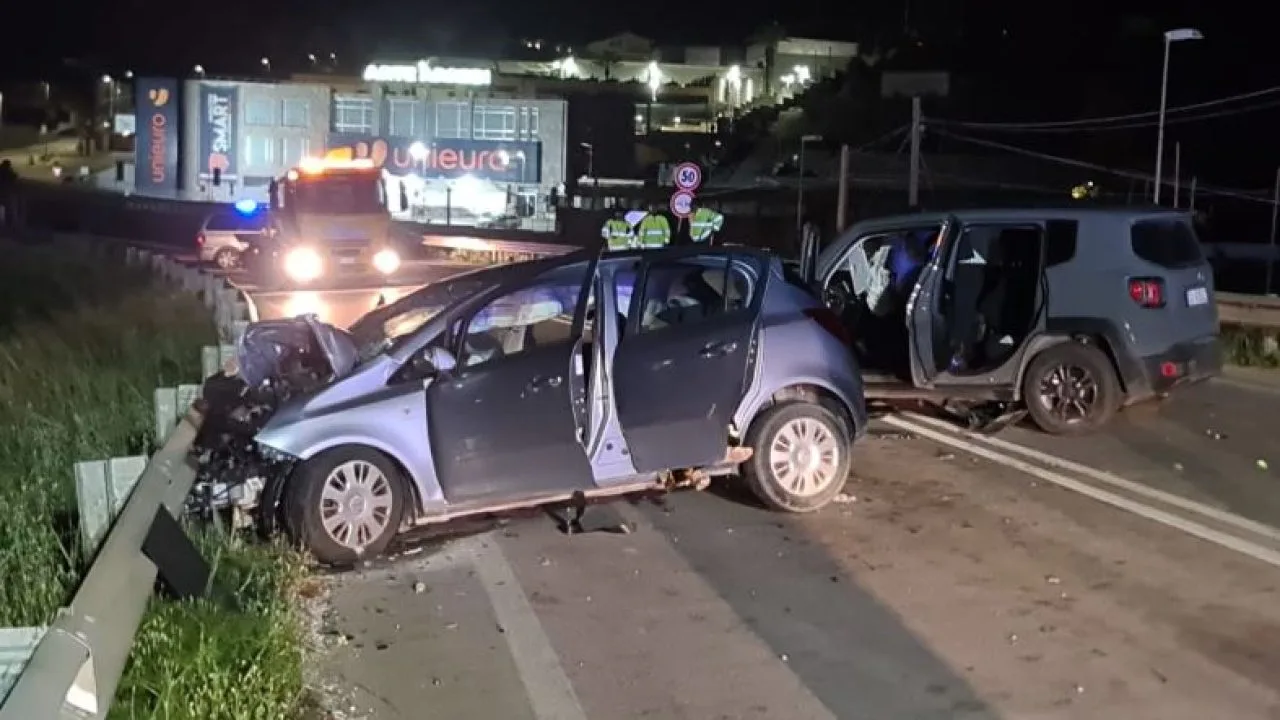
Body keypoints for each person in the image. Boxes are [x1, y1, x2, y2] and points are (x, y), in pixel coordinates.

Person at [0, 159, 18, 229]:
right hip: (5, 192)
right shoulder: (7, 171)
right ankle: (8, 223)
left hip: (3, 191)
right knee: (8, 207)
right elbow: (14, 176)